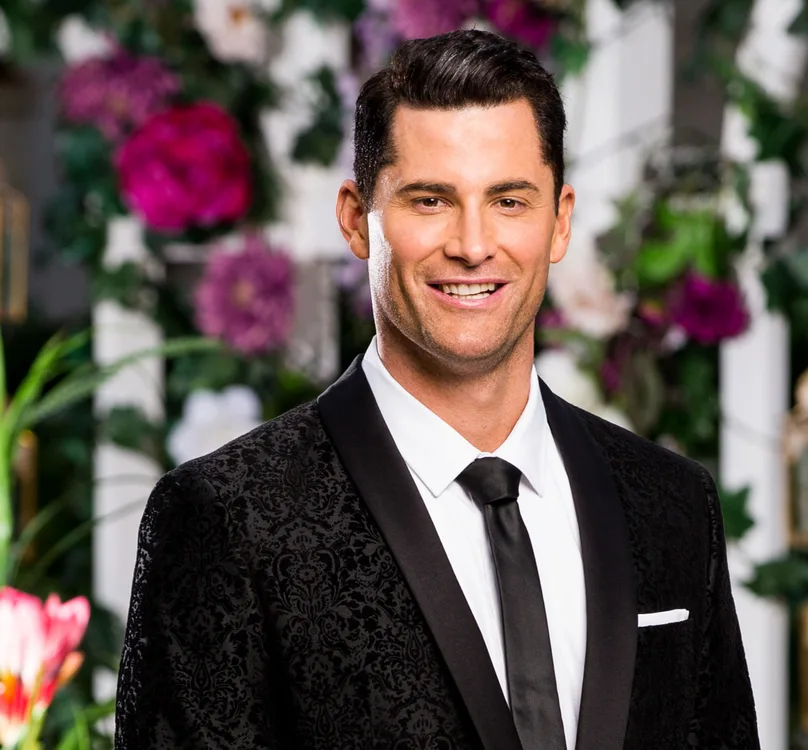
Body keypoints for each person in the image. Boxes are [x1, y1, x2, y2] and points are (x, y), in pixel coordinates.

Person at [114, 29, 759, 750]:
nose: (474, 244)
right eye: (431, 201)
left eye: (510, 200)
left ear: (561, 220)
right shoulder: (228, 516)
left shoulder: (670, 504)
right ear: (358, 220)